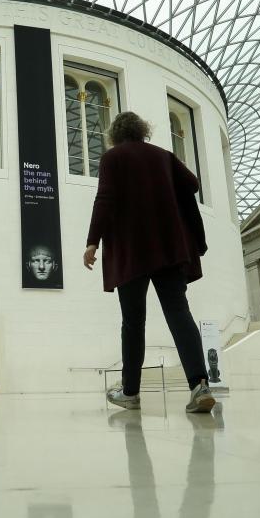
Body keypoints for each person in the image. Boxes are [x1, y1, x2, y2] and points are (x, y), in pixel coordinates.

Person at [84, 111, 215, 414]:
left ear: (115, 135)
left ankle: (130, 393)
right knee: (179, 312)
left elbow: (104, 198)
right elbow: (192, 183)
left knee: (133, 322)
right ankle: (200, 386)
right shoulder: (164, 156)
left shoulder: (112, 158)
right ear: (142, 130)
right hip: (169, 247)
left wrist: (92, 241)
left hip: (131, 250)